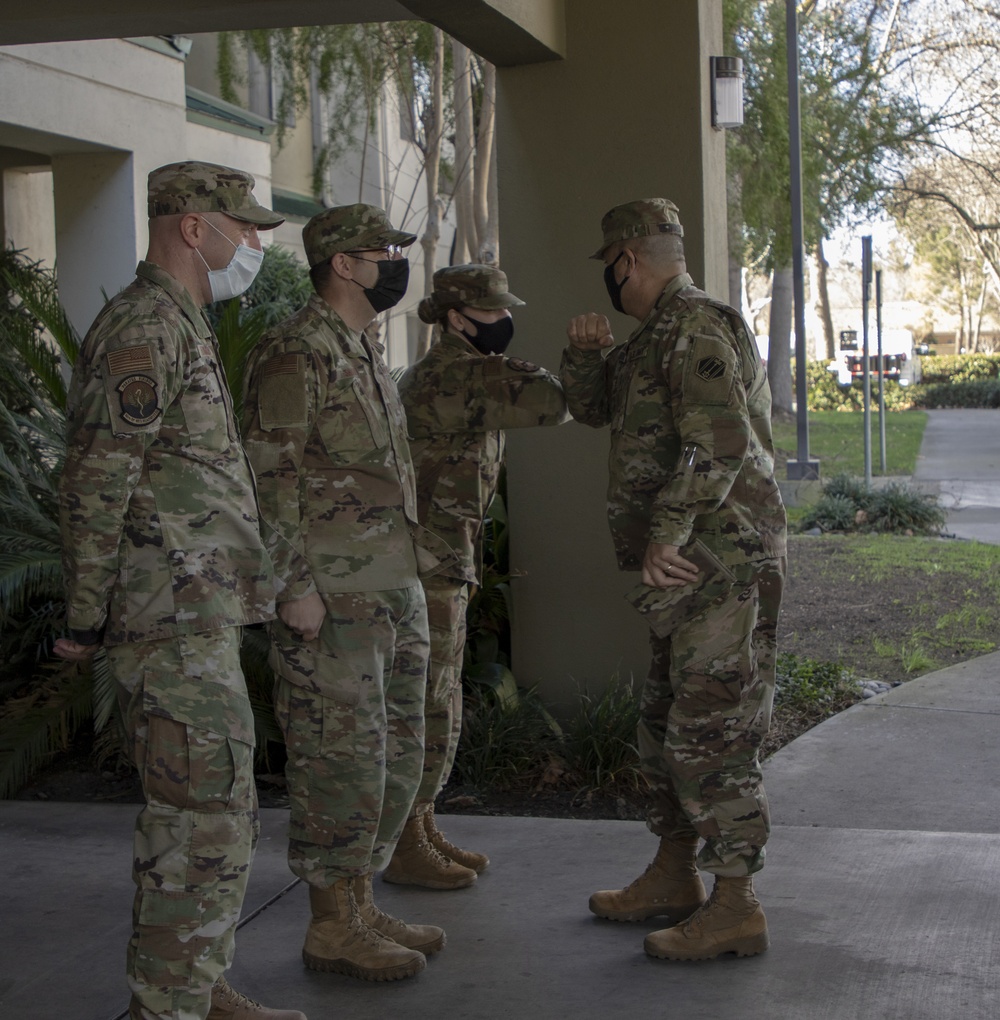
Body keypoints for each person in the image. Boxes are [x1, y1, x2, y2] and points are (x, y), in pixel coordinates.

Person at [53, 161, 307, 1020]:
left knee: (217, 813)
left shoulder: (182, 323)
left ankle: (196, 985)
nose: (258, 245)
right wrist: (85, 615)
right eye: (248, 228)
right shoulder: (143, 328)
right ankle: (165, 1007)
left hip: (196, 617)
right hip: (164, 626)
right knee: (196, 821)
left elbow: (198, 483)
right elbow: (98, 478)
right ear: (193, 227)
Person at [560, 198, 787, 962]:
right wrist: (587, 355)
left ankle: (736, 903)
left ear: (628, 260)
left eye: (611, 270)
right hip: (685, 569)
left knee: (711, 727)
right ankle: (673, 873)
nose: (612, 285)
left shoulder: (696, 328)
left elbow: (717, 443)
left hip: (716, 561)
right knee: (667, 721)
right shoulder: (650, 336)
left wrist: (665, 533)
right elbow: (594, 410)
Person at [242, 204, 447, 983]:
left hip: (391, 587)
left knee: (396, 750)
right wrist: (293, 585)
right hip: (332, 599)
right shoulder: (295, 350)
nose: (395, 261)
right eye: (383, 250)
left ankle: (360, 903)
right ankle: (331, 925)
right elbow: (271, 475)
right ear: (344, 264)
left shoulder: (360, 346)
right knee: (339, 757)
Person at [386, 264, 570, 889]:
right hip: (429, 566)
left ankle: (423, 821)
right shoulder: (452, 376)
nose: (503, 323)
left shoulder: (464, 372)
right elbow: (551, 403)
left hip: (445, 562)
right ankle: (407, 842)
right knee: (425, 703)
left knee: (441, 699)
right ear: (456, 319)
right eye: (491, 314)